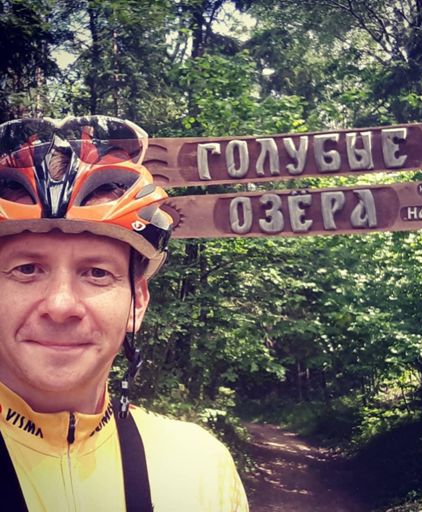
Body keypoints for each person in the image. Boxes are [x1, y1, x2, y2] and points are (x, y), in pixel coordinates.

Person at [0, 116, 249, 511]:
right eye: (27, 269)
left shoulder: (200, 468)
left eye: (97, 273)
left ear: (138, 303)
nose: (61, 306)